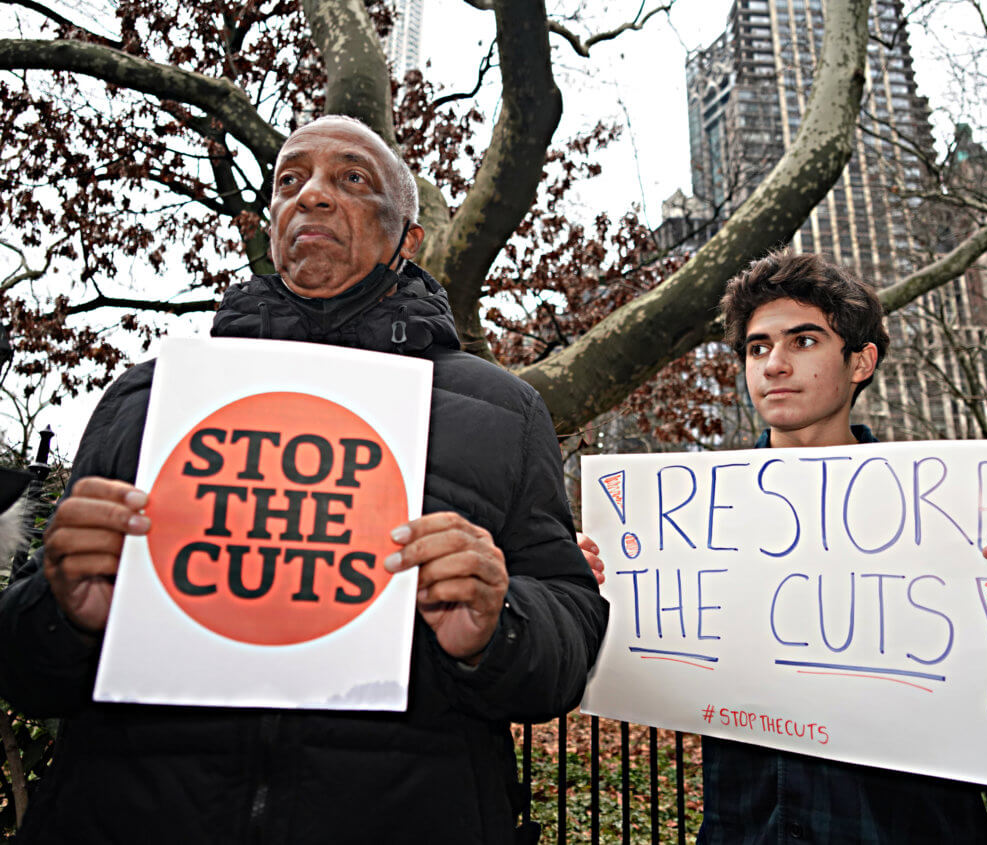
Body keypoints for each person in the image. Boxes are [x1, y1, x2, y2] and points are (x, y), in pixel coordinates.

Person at [0, 115, 608, 845]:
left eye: (351, 179)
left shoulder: (503, 413)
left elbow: (568, 633)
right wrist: (63, 611)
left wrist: (496, 628)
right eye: (290, 180)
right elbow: (25, 669)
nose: (311, 196)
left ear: (409, 238)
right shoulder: (149, 397)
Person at [582, 249, 987, 843]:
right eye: (757, 347)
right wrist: (594, 597)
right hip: (747, 824)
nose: (773, 365)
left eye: (803, 341)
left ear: (861, 361)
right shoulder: (685, 527)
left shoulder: (954, 512)